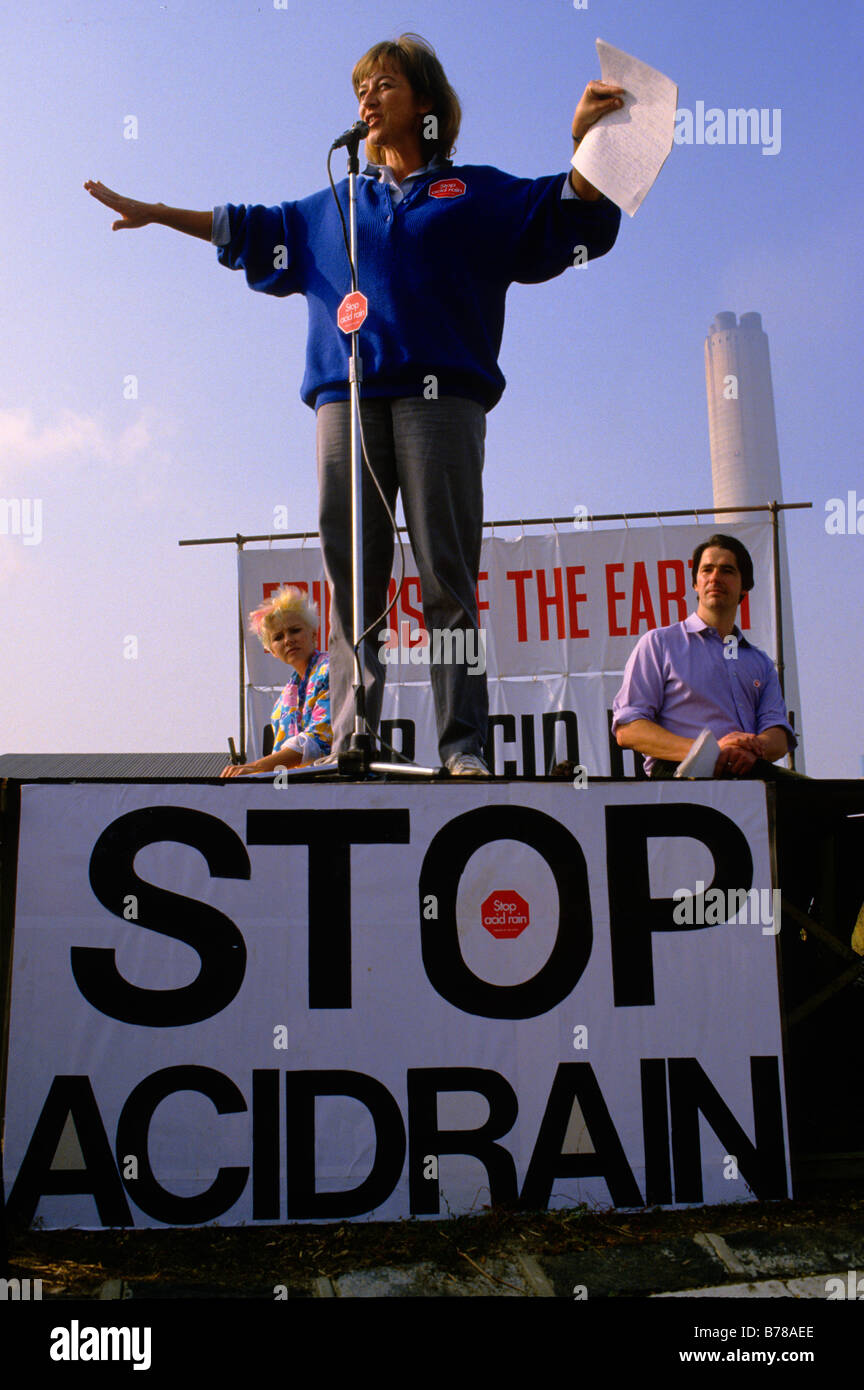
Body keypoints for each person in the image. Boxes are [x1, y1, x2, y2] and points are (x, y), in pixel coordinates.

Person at [85, 33, 623, 775]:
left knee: (447, 582)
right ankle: (351, 739)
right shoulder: (334, 204)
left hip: (443, 402)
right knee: (353, 581)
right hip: (347, 399)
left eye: (385, 85)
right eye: (361, 88)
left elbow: (566, 215)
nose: (367, 99)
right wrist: (157, 210)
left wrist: (586, 143)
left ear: (426, 103)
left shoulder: (473, 193)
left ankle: (462, 747)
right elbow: (250, 227)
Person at [612, 534, 797, 778]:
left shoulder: (760, 663)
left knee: (821, 800)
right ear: (695, 584)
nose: (715, 578)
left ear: (745, 586)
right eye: (707, 570)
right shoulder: (659, 644)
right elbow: (628, 729)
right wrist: (709, 751)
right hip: (680, 774)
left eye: (727, 570)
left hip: (748, 771)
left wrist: (751, 749)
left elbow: (780, 736)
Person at [220, 585, 331, 776]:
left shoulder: (333, 669)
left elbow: (320, 740)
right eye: (278, 637)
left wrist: (257, 767)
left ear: (313, 634)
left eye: (295, 630)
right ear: (271, 650)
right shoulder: (282, 704)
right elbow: (282, 759)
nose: (288, 640)